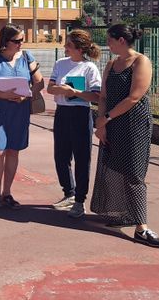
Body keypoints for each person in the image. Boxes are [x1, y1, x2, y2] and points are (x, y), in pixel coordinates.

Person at [91, 24, 159, 248]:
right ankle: (121, 213)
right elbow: (103, 95)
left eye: (110, 40)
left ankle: (140, 227)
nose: (108, 44)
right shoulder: (112, 64)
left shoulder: (141, 61)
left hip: (134, 124)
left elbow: (134, 97)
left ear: (121, 40)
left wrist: (106, 118)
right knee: (112, 167)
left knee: (133, 172)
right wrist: (101, 123)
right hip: (112, 122)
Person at [0, 24, 44, 211]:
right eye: (17, 41)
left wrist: (29, 93)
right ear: (6, 41)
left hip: (19, 111)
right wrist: (3, 94)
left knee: (13, 150)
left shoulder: (26, 57)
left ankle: (7, 193)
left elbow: (39, 81)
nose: (21, 44)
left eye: (22, 40)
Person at [46, 29, 102, 218]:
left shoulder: (89, 68)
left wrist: (75, 93)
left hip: (80, 114)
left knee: (82, 158)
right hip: (62, 113)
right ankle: (68, 193)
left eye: (68, 45)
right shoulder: (60, 64)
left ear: (79, 48)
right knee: (61, 156)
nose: (65, 47)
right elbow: (50, 88)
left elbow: (95, 96)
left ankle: (80, 201)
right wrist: (59, 89)